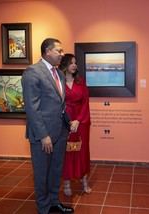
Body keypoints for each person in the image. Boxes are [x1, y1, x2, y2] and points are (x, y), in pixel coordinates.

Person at [21, 38, 74, 214]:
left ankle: (53, 202)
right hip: (43, 136)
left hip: (60, 133)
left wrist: (69, 122)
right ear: (47, 51)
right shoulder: (32, 73)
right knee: (42, 173)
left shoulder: (58, 73)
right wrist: (44, 135)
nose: (62, 54)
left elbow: (59, 104)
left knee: (55, 170)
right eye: (58, 50)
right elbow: (32, 108)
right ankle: (43, 208)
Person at [58, 54, 92, 196]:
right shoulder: (57, 82)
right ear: (65, 65)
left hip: (81, 121)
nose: (75, 65)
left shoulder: (80, 81)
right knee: (66, 152)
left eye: (75, 63)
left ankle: (84, 181)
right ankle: (66, 183)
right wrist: (69, 120)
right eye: (72, 63)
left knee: (81, 151)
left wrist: (78, 120)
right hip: (64, 121)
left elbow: (85, 102)